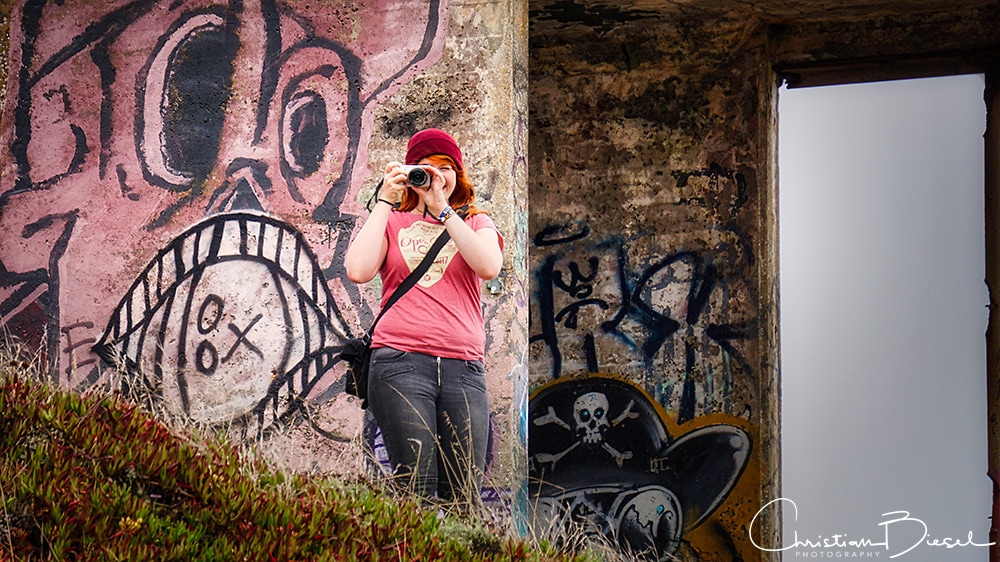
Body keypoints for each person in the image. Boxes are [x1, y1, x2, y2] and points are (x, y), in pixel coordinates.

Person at [344, 128, 504, 507]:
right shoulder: (393, 221)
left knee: (463, 497)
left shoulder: (476, 222)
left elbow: (489, 266)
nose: (435, 175)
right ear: (410, 174)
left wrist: (444, 210)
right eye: (425, 167)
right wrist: (385, 200)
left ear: (458, 175)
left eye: (445, 167)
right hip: (399, 362)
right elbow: (358, 269)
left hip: (463, 368)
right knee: (414, 486)